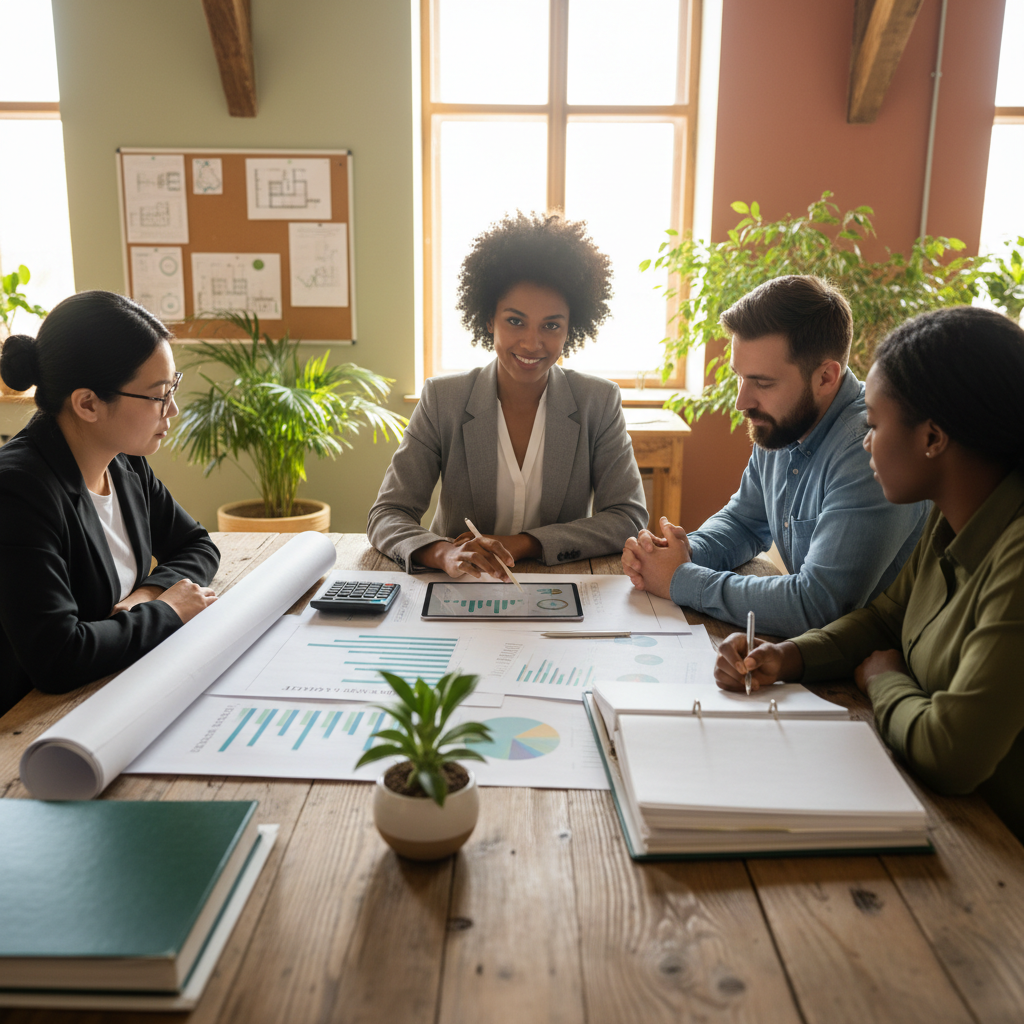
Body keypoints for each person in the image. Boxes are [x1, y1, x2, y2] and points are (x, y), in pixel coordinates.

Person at [715, 306, 1024, 840]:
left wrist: (884, 680)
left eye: (875, 426)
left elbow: (951, 755)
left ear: (932, 439)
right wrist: (787, 656)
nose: (864, 442)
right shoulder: (949, 516)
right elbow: (885, 619)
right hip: (933, 808)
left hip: (994, 844)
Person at [621, 275, 928, 635]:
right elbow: (744, 521)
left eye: (763, 383)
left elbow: (818, 604)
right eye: (739, 378)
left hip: (885, 663)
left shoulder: (869, 451)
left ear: (826, 377)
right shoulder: (785, 423)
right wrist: (679, 550)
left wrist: (681, 578)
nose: (741, 402)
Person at [368, 211, 647, 578]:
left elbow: (628, 517)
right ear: (488, 320)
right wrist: (442, 553)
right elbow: (387, 514)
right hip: (460, 583)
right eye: (515, 321)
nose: (532, 343)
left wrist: (523, 542)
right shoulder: (443, 399)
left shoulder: (598, 401)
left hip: (557, 584)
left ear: (570, 328)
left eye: (551, 325)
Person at [0, 290, 220, 717]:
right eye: (158, 394)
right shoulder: (17, 492)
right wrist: (168, 611)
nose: (172, 410)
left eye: (173, 385)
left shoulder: (124, 463)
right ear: (88, 403)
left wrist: (147, 594)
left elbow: (197, 545)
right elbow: (58, 658)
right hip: (34, 720)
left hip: (116, 686)